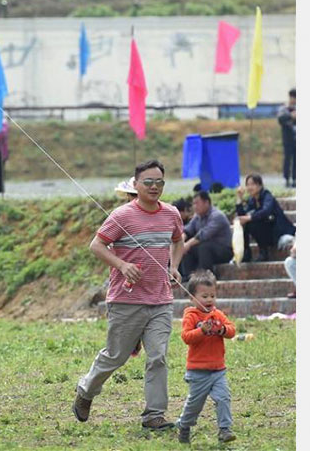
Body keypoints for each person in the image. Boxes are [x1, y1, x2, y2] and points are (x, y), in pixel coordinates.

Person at [73, 159, 185, 432]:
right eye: (148, 182)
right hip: (126, 300)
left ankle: (154, 416)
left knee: (158, 357)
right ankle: (86, 390)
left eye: (159, 182)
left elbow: (178, 240)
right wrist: (122, 265)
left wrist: (175, 267)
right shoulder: (122, 215)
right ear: (135, 185)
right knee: (116, 356)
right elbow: (96, 245)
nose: (154, 187)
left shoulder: (171, 213)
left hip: (160, 300)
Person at [176, 270, 237, 444]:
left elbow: (231, 330)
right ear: (192, 298)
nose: (209, 300)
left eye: (212, 296)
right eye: (204, 296)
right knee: (195, 405)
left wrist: (222, 330)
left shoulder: (217, 315)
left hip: (218, 370)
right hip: (198, 371)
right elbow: (187, 337)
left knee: (223, 398)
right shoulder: (191, 315)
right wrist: (201, 331)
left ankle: (224, 429)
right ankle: (185, 425)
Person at [235, 174, 296, 262]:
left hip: (278, 231)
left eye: (252, 184)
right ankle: (246, 253)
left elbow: (266, 211)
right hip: (266, 231)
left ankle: (263, 252)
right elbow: (243, 215)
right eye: (247, 185)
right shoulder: (252, 200)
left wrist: (249, 218)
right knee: (246, 223)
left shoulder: (267, 196)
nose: (249, 187)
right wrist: (239, 198)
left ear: (260, 186)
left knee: (251, 221)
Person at [179, 191, 234, 281]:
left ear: (206, 203)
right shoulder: (197, 216)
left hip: (224, 251)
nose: (195, 207)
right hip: (206, 249)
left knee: (203, 247)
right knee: (188, 249)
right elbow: (188, 230)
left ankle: (205, 277)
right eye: (194, 204)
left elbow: (204, 235)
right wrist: (181, 242)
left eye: (197, 203)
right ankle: (188, 277)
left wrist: (187, 244)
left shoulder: (217, 216)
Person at [277, 88, 296, 188]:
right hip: (287, 138)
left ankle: (295, 179)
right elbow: (280, 119)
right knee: (287, 159)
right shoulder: (284, 108)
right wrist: (291, 116)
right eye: (292, 98)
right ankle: (287, 179)